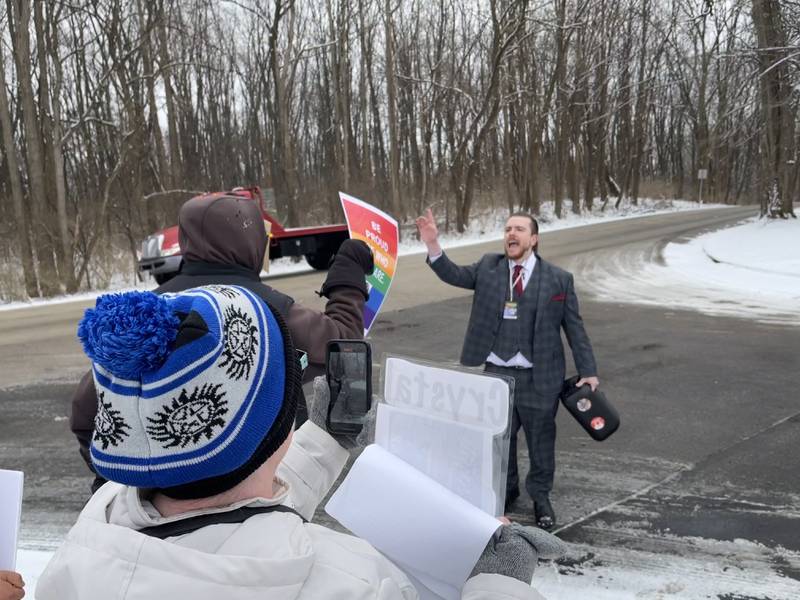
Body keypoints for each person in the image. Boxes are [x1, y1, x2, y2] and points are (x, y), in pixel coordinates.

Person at [37, 285, 565, 599]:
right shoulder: (351, 583)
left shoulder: (89, 540)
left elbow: (227, 522)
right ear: (276, 426)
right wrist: (501, 582)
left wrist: (329, 439)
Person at [70, 192, 374, 492]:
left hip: (150, 505)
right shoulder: (267, 310)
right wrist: (348, 272)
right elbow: (342, 344)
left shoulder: (147, 314)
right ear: (252, 240)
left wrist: (118, 482)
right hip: (257, 491)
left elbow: (86, 413)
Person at [416, 208, 599, 530]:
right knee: (498, 442)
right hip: (497, 376)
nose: (511, 234)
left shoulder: (559, 279)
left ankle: (541, 498)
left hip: (540, 375)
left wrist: (588, 369)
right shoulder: (489, 267)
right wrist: (433, 245)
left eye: (518, 229)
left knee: (541, 439)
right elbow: (453, 274)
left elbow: (575, 328)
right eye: (507, 229)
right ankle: (507, 490)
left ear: (534, 238)